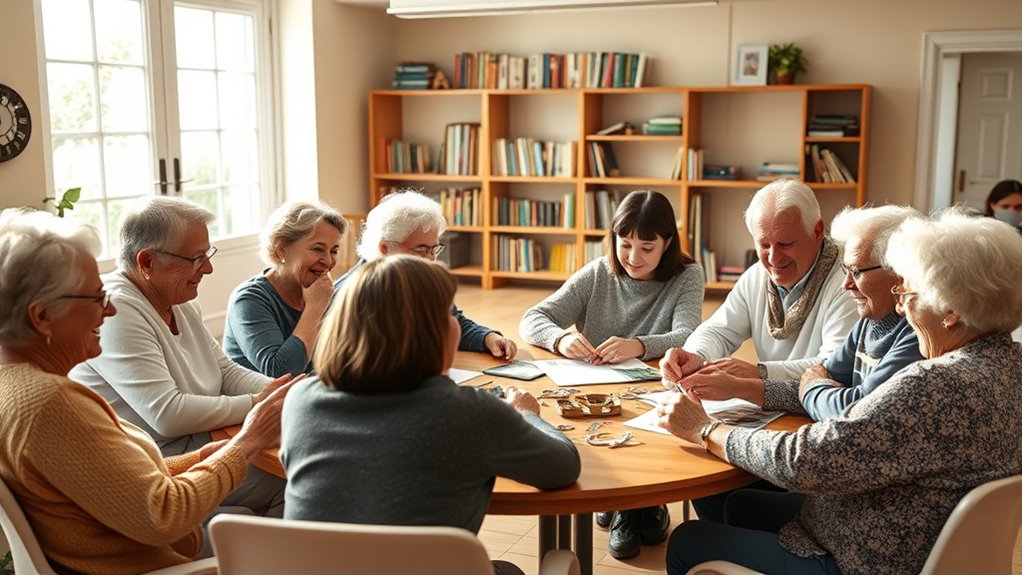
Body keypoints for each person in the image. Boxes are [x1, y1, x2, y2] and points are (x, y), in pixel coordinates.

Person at [657, 208, 1022, 575]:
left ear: (951, 311)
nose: (901, 305)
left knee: (688, 540)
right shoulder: (1009, 363)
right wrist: (746, 388)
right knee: (741, 506)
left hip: (864, 558)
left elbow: (803, 461)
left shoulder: (934, 386)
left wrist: (705, 429)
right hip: (903, 532)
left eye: (910, 292)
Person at [0, 208, 294, 575]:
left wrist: (203, 456)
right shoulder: (50, 404)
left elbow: (115, 480)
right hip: (156, 564)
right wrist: (246, 443)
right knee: (306, 496)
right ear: (42, 316)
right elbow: (163, 515)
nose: (109, 311)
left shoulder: (20, 386)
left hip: (141, 547)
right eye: (95, 299)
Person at [281, 255, 581, 575]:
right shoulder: (468, 413)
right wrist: (525, 414)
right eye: (447, 315)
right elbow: (562, 467)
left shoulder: (301, 400)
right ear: (434, 333)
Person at [70, 197, 289, 518]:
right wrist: (259, 404)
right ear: (147, 262)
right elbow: (167, 414)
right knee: (297, 481)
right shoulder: (115, 310)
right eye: (196, 258)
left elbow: (225, 371)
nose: (208, 268)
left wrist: (286, 390)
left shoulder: (177, 297)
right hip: (155, 460)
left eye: (207, 255)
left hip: (197, 441)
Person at [519, 190, 703, 559]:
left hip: (655, 390)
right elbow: (533, 318)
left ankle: (640, 501)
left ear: (668, 242)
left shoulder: (687, 275)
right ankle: (629, 506)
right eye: (625, 244)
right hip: (597, 393)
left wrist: (638, 345)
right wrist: (560, 339)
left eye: (647, 247)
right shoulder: (598, 272)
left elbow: (688, 335)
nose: (633, 258)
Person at [660, 178, 858, 405]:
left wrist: (760, 373)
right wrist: (696, 355)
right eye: (764, 245)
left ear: (817, 232)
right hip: (774, 407)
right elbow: (718, 331)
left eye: (785, 244)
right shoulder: (757, 276)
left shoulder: (848, 283)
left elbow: (833, 366)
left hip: (823, 409)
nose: (773, 258)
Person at [334, 190, 518, 360]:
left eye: (434, 249)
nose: (430, 258)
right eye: (421, 249)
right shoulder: (350, 292)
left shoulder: (420, 278)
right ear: (384, 247)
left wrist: (488, 337)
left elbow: (450, 321)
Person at [223, 201, 347, 377]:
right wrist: (314, 308)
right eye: (318, 249)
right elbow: (280, 372)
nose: (328, 261)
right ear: (281, 250)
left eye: (334, 251)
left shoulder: (321, 291)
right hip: (263, 394)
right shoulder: (248, 300)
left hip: (310, 390)